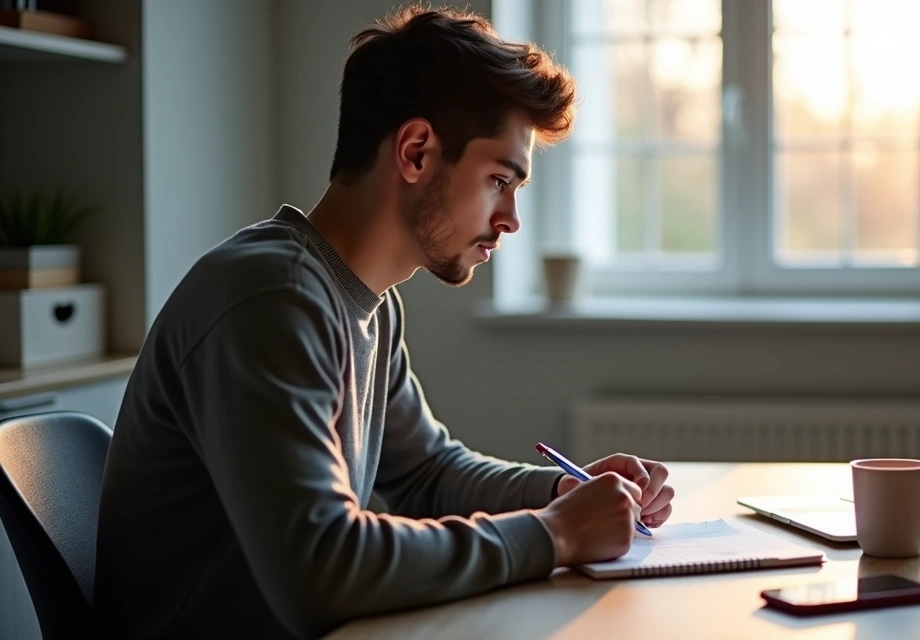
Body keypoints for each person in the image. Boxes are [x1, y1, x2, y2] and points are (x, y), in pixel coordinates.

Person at [92, 7, 675, 639]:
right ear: (417, 151)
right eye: (499, 181)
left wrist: (562, 492)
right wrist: (556, 534)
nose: (511, 219)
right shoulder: (270, 298)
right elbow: (322, 571)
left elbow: (427, 474)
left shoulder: (367, 302)